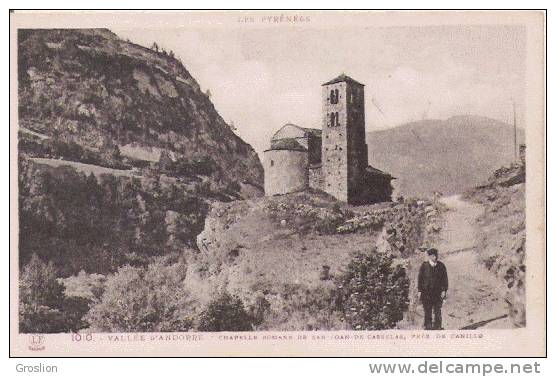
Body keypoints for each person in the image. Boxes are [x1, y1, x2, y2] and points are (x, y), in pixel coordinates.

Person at [417, 248, 448, 330]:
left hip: (437, 292)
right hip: (426, 292)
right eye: (433, 256)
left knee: (437, 310)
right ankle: (428, 327)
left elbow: (445, 279)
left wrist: (444, 290)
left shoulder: (441, 266)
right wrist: (419, 290)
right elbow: (420, 279)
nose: (435, 257)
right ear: (429, 256)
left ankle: (438, 326)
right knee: (427, 310)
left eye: (436, 255)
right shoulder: (424, 266)